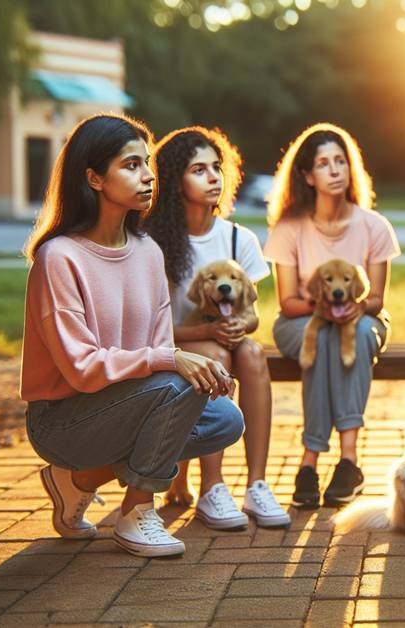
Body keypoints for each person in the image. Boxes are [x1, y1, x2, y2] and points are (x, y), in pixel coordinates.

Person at [20, 114, 243, 558]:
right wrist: (172, 362)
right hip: (64, 420)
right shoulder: (59, 258)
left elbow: (160, 347)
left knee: (225, 419)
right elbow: (83, 370)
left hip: (134, 403)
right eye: (131, 165)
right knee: (178, 380)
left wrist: (189, 370)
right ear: (94, 177)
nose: (147, 177)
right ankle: (138, 511)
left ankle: (76, 481)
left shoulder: (147, 251)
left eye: (148, 165)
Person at [146, 127, 290, 530]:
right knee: (216, 354)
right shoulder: (153, 241)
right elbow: (152, 331)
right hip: (174, 349)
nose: (213, 177)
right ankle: (213, 486)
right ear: (175, 179)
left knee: (254, 353)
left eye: (216, 168)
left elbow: (253, 315)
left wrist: (237, 326)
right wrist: (207, 335)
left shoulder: (236, 237)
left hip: (223, 343)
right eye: (198, 169)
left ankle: (257, 484)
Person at [263, 122, 400, 509]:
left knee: (353, 333)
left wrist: (352, 309)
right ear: (307, 175)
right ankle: (315, 456)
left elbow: (375, 298)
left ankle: (344, 460)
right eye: (324, 163)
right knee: (321, 334)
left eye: (341, 161)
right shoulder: (290, 227)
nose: (335, 169)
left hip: (362, 318)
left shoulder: (374, 226)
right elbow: (288, 301)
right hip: (299, 321)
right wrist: (326, 308)